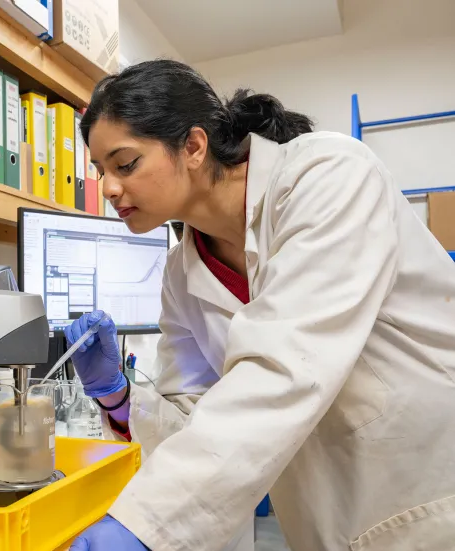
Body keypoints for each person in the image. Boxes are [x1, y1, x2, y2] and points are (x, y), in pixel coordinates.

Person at [66, 59, 455, 551]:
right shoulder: (181, 273)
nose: (108, 188)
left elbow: (287, 365)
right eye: (100, 171)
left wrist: (146, 526)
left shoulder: (328, 175)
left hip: (431, 495)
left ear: (193, 146)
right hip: (323, 519)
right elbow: (194, 418)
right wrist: (119, 397)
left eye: (125, 165)